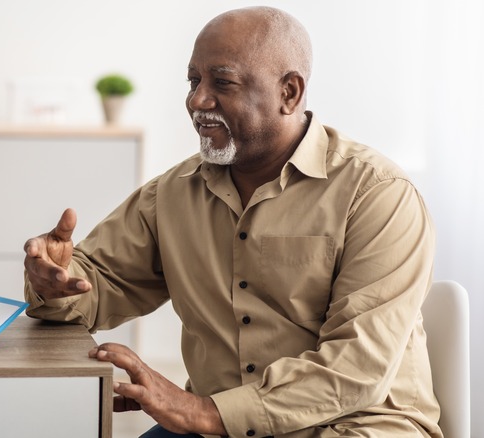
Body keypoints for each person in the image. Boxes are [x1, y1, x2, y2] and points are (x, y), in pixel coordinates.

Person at [24, 6, 440, 438]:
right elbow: (99, 282)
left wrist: (203, 413)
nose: (197, 100)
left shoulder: (377, 194)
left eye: (222, 82)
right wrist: (55, 281)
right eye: (193, 81)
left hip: (353, 426)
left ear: (290, 93)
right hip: (213, 424)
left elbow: (356, 369)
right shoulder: (172, 193)